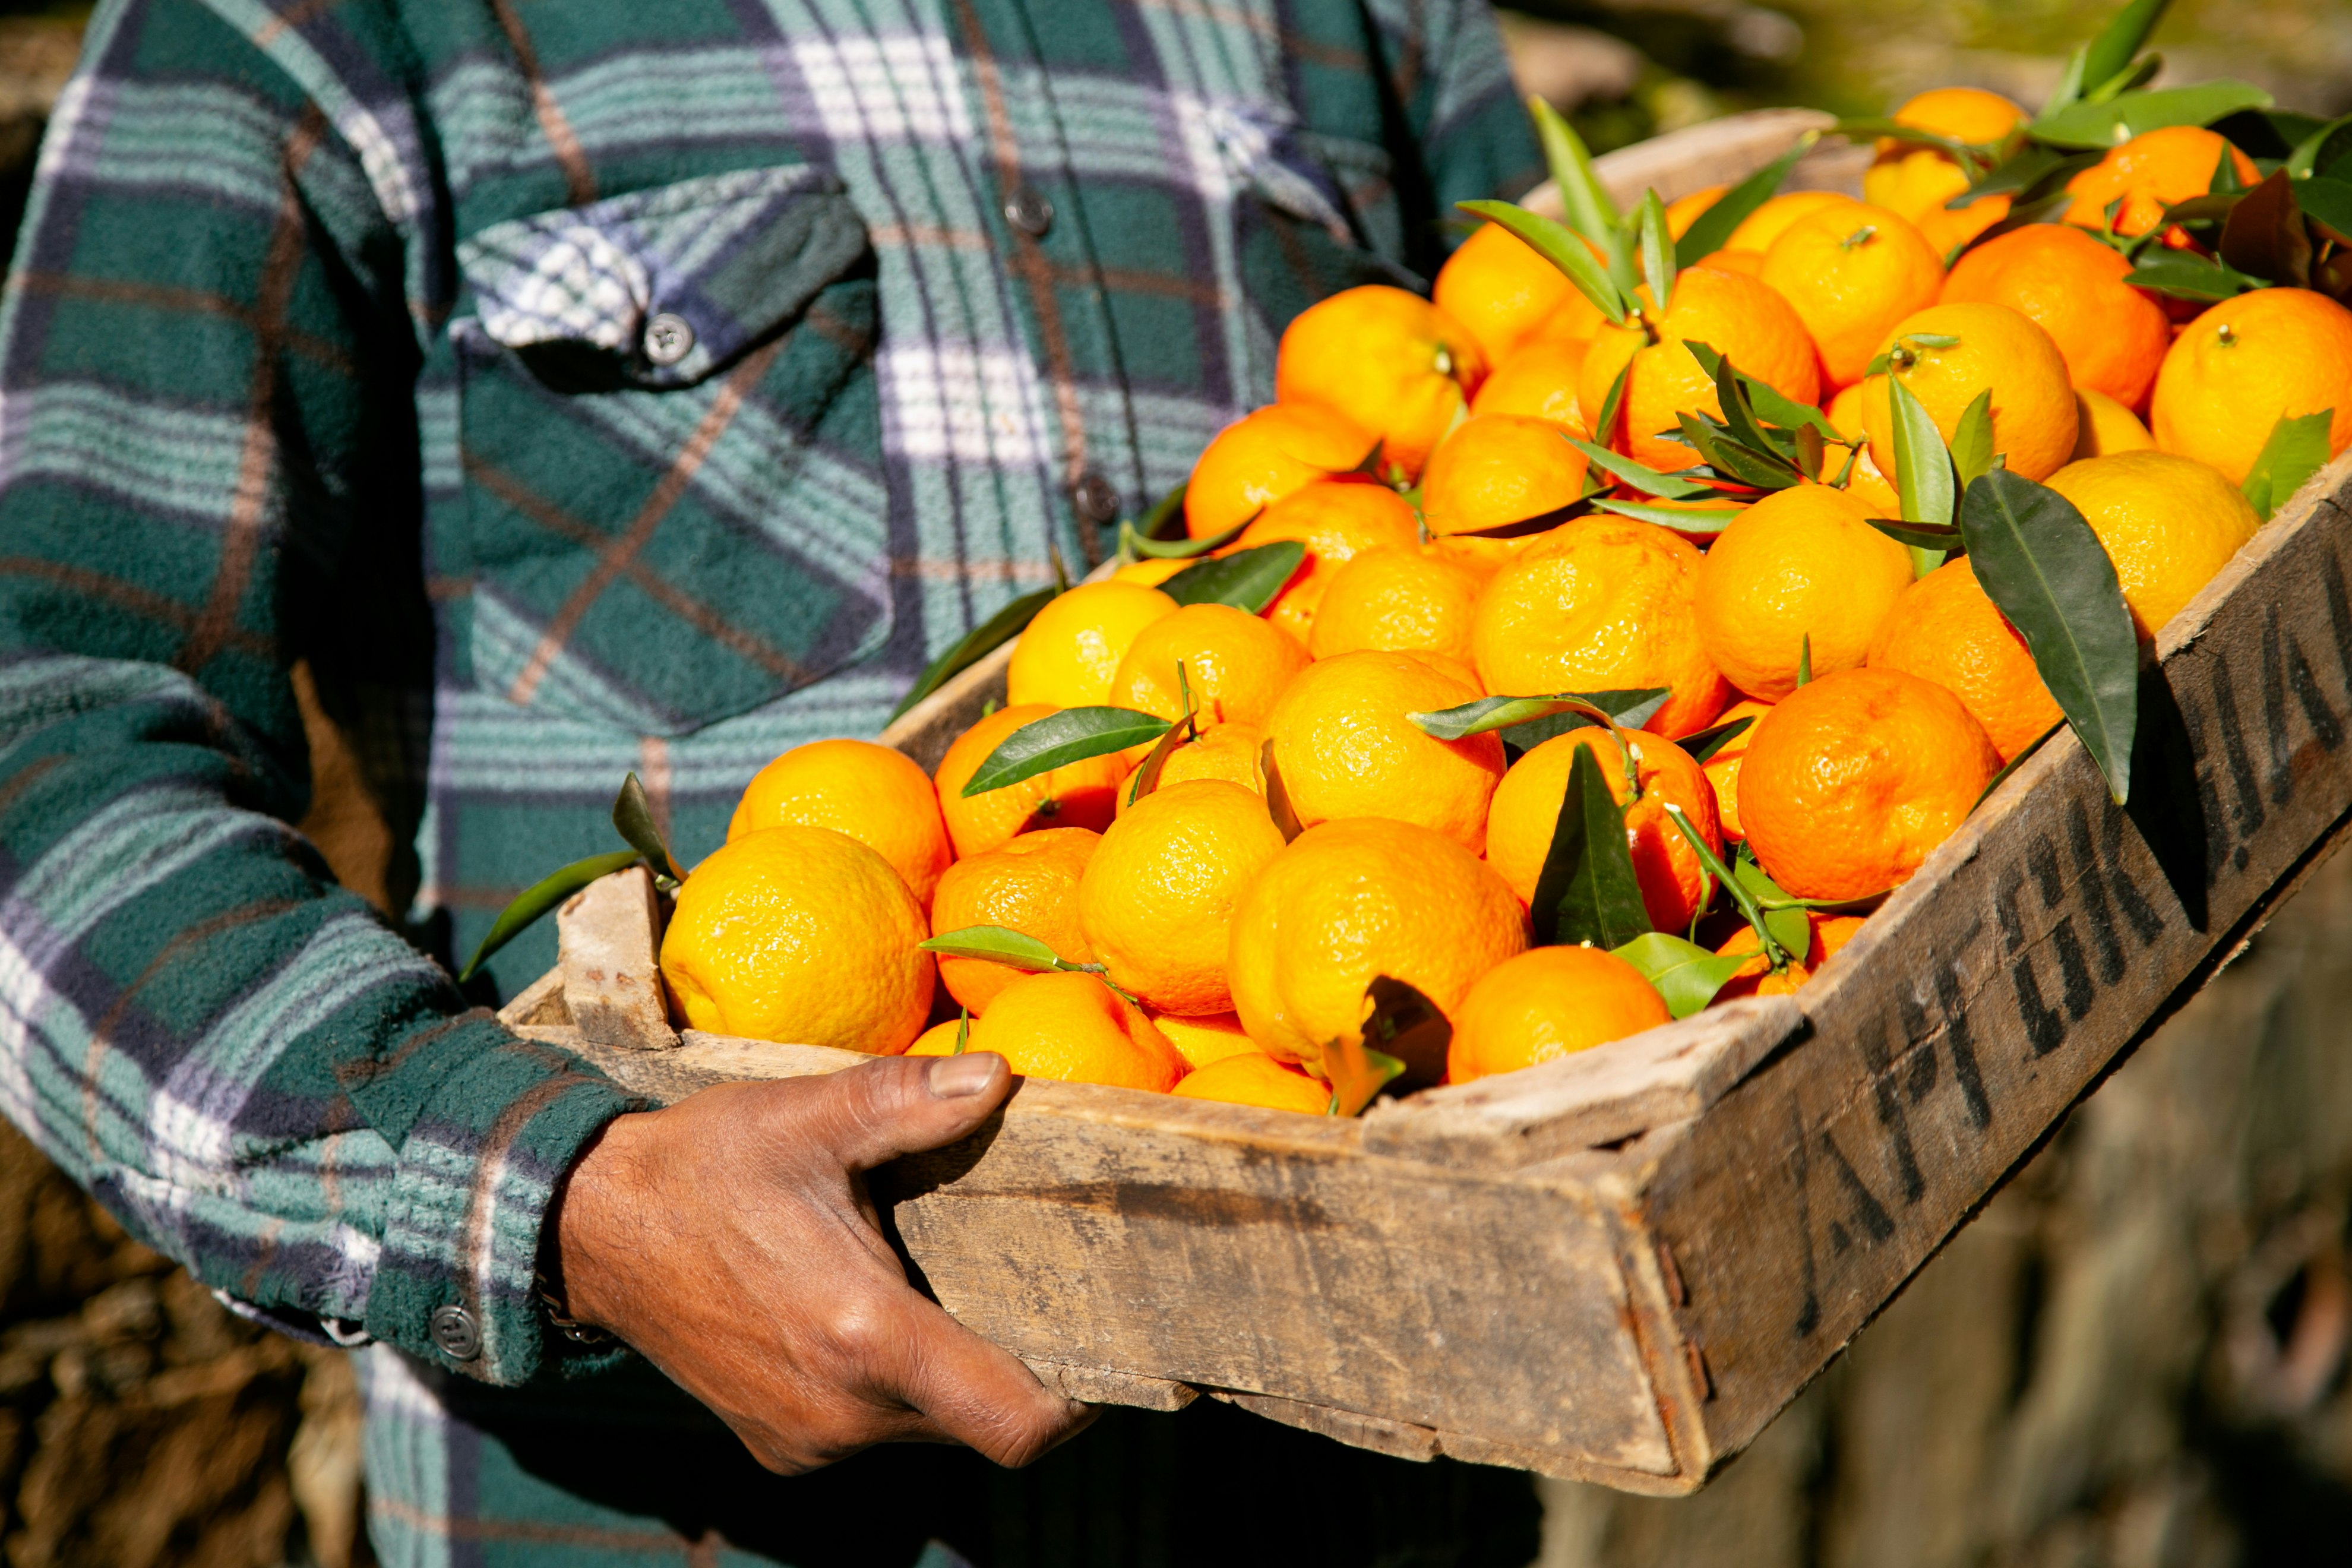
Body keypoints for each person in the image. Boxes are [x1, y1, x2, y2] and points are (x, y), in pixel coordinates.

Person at [0, 0, 1539, 1560]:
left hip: (1366, 1495)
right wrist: (565, 1200)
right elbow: (48, 740)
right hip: (687, 1520)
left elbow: (1559, 387)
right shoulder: (302, 27)